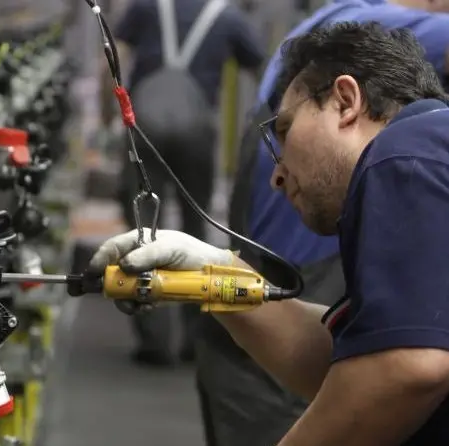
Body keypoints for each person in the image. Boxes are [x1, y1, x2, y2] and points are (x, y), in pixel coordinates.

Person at [92, 22, 449, 445]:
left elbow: (406, 367)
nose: (276, 177)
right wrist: (213, 271)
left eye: (285, 131)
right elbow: (341, 359)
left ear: (346, 101)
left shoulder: (406, 150)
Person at [102, 0, 266, 367]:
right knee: (197, 229)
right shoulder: (230, 17)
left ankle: (154, 339)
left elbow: (113, 59)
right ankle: (196, 339)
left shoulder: (146, 7)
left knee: (144, 232)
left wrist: (105, 114)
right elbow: (266, 76)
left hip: (145, 128)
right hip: (198, 131)